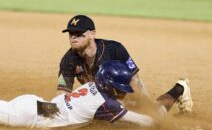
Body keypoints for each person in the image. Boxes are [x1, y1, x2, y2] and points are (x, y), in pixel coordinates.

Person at [0, 37, 193, 129]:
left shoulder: (91, 90)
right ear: (111, 86)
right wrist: (181, 126)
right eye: (120, 88)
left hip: (38, 107)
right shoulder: (106, 104)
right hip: (30, 115)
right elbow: (148, 122)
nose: (121, 92)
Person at [57, 15, 193, 114]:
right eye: (70, 34)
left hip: (124, 95)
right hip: (100, 97)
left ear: (92, 34)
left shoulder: (114, 49)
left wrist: (145, 105)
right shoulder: (68, 60)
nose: (73, 37)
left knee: (154, 114)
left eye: (79, 33)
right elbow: (61, 97)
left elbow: (135, 82)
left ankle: (180, 88)